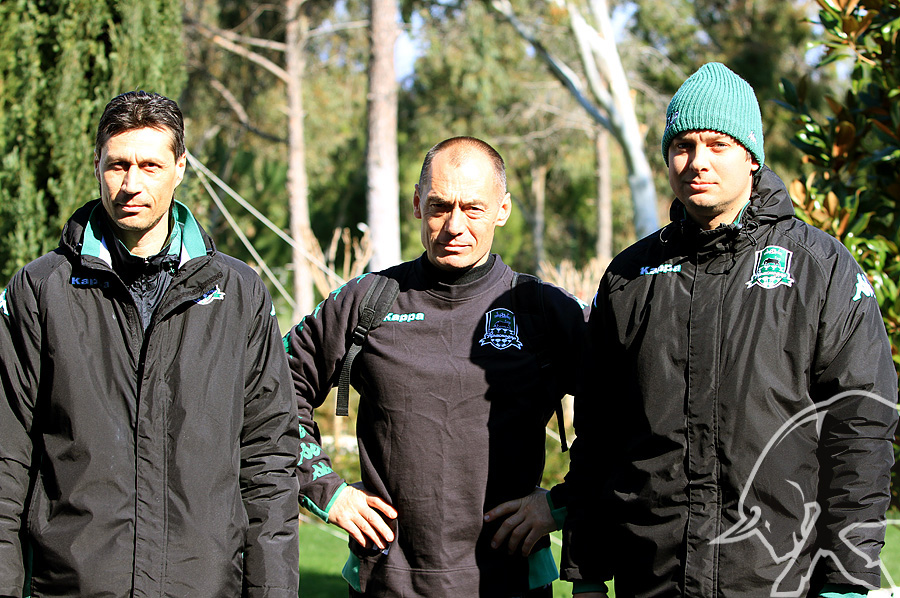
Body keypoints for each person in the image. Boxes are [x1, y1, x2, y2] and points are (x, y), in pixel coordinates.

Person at [560, 62, 898, 598]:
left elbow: (859, 432)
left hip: (778, 583)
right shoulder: (629, 278)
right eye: (683, 146)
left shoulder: (820, 269)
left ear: (751, 156)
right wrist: (586, 574)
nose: (698, 161)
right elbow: (599, 438)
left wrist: (847, 580)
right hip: (652, 583)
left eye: (718, 144)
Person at [0, 91, 301, 597]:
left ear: (180, 167)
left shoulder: (238, 294)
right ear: (96, 164)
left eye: (150, 166)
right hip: (73, 586)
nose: (131, 184)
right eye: (118, 165)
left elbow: (268, 460)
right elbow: (6, 460)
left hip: (202, 585)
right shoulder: (40, 290)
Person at [284, 136, 590, 596]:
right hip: (387, 582)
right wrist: (326, 489)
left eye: (473, 208)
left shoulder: (545, 311)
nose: (454, 225)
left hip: (510, 581)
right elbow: (270, 386)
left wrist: (562, 501)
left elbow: (629, 410)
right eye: (440, 206)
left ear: (503, 209)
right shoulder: (366, 301)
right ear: (417, 203)